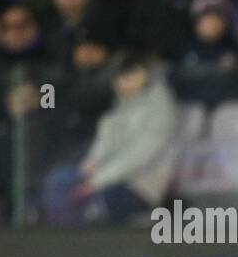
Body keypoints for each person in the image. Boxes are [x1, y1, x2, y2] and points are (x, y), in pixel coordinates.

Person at [42, 51, 178, 225]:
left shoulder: (162, 110)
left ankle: (75, 244)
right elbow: (104, 143)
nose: (123, 82)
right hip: (103, 177)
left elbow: (137, 158)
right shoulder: (120, 104)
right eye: (120, 77)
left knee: (92, 204)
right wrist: (89, 166)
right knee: (59, 179)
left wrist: (95, 183)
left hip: (138, 186)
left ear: (146, 75)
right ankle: (57, 239)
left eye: (132, 75)